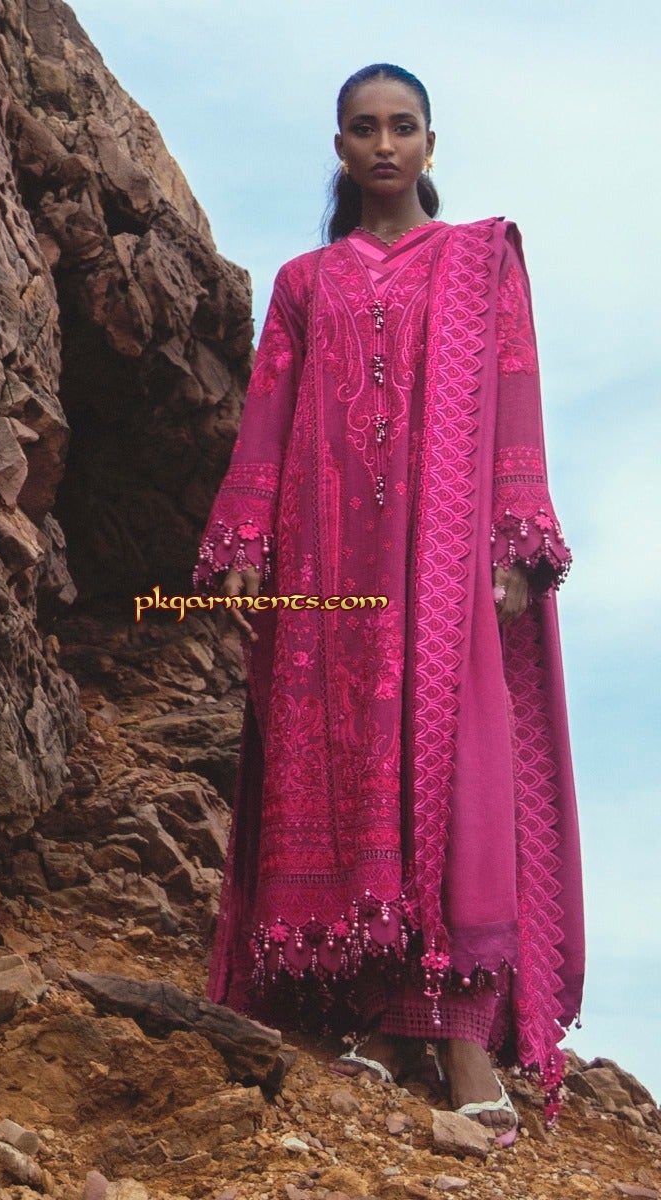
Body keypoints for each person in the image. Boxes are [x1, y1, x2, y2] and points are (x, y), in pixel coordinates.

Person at [194, 63, 584, 1145]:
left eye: (401, 127)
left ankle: (457, 1032)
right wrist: (244, 541)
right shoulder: (304, 282)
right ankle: (379, 1010)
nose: (382, 145)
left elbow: (514, 390)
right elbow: (268, 415)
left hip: (446, 558)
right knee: (350, 769)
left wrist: (515, 541)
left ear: (428, 143)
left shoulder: (478, 262)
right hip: (329, 567)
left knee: (454, 769)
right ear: (338, 146)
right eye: (362, 128)